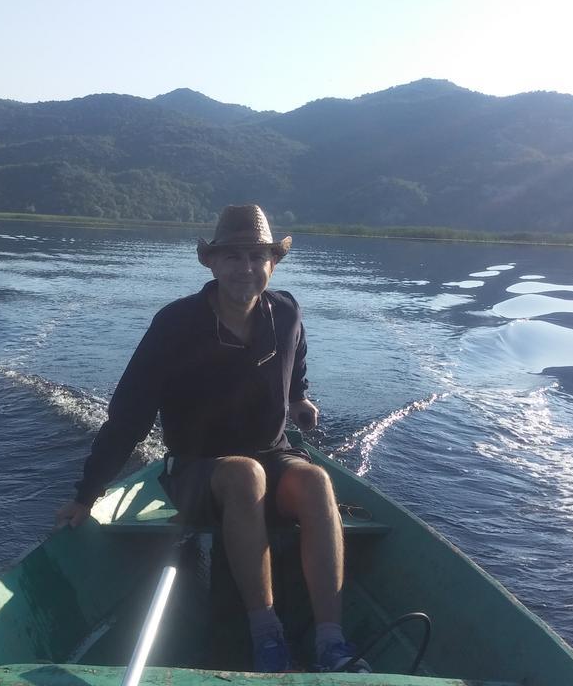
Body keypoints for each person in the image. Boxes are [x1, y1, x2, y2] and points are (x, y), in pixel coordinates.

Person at [53, 204, 369, 673]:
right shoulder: (176, 324)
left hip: (272, 455)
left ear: (272, 264)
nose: (245, 268)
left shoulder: (285, 312)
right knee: (244, 474)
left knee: (317, 481)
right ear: (212, 262)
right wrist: (88, 492)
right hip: (197, 468)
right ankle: (267, 636)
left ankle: (331, 640)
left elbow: (295, 359)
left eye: (257, 257)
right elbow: (129, 415)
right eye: (233, 257)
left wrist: (300, 397)